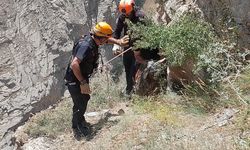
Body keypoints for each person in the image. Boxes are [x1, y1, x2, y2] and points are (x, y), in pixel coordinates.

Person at [64, 22, 129, 139]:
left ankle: (81, 120)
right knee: (80, 103)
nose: (107, 40)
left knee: (84, 99)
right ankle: (77, 127)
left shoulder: (94, 40)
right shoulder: (86, 46)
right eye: (106, 38)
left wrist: (118, 42)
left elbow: (106, 40)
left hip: (80, 77)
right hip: (75, 79)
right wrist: (83, 82)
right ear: (100, 37)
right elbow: (74, 64)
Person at [112, 0, 145, 96]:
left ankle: (132, 92)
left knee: (133, 70)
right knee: (127, 68)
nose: (126, 15)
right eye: (124, 13)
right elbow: (117, 31)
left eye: (127, 13)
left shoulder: (140, 16)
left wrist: (137, 50)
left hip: (139, 47)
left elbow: (142, 36)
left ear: (133, 8)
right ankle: (129, 90)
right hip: (127, 47)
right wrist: (116, 44)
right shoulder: (123, 15)